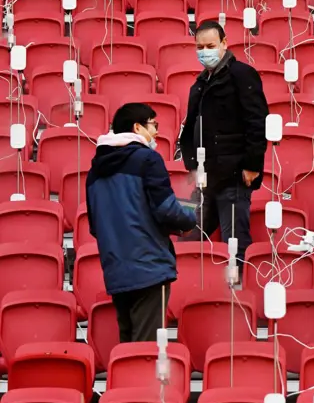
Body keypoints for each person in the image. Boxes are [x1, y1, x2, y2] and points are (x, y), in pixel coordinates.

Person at [86, 103, 197, 343]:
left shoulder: (95, 171)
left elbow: (95, 226)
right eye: (153, 125)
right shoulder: (147, 159)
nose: (156, 131)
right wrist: (190, 217)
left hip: (116, 269)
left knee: (128, 345)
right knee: (146, 350)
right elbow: (166, 209)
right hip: (149, 266)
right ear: (137, 127)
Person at [180, 20, 269, 263]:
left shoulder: (242, 74)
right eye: (200, 46)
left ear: (224, 44)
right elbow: (192, 126)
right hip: (206, 176)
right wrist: (191, 164)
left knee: (235, 244)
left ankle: (238, 296)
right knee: (188, 238)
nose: (204, 51)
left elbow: (257, 122)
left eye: (210, 45)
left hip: (234, 175)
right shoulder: (200, 82)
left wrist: (252, 165)